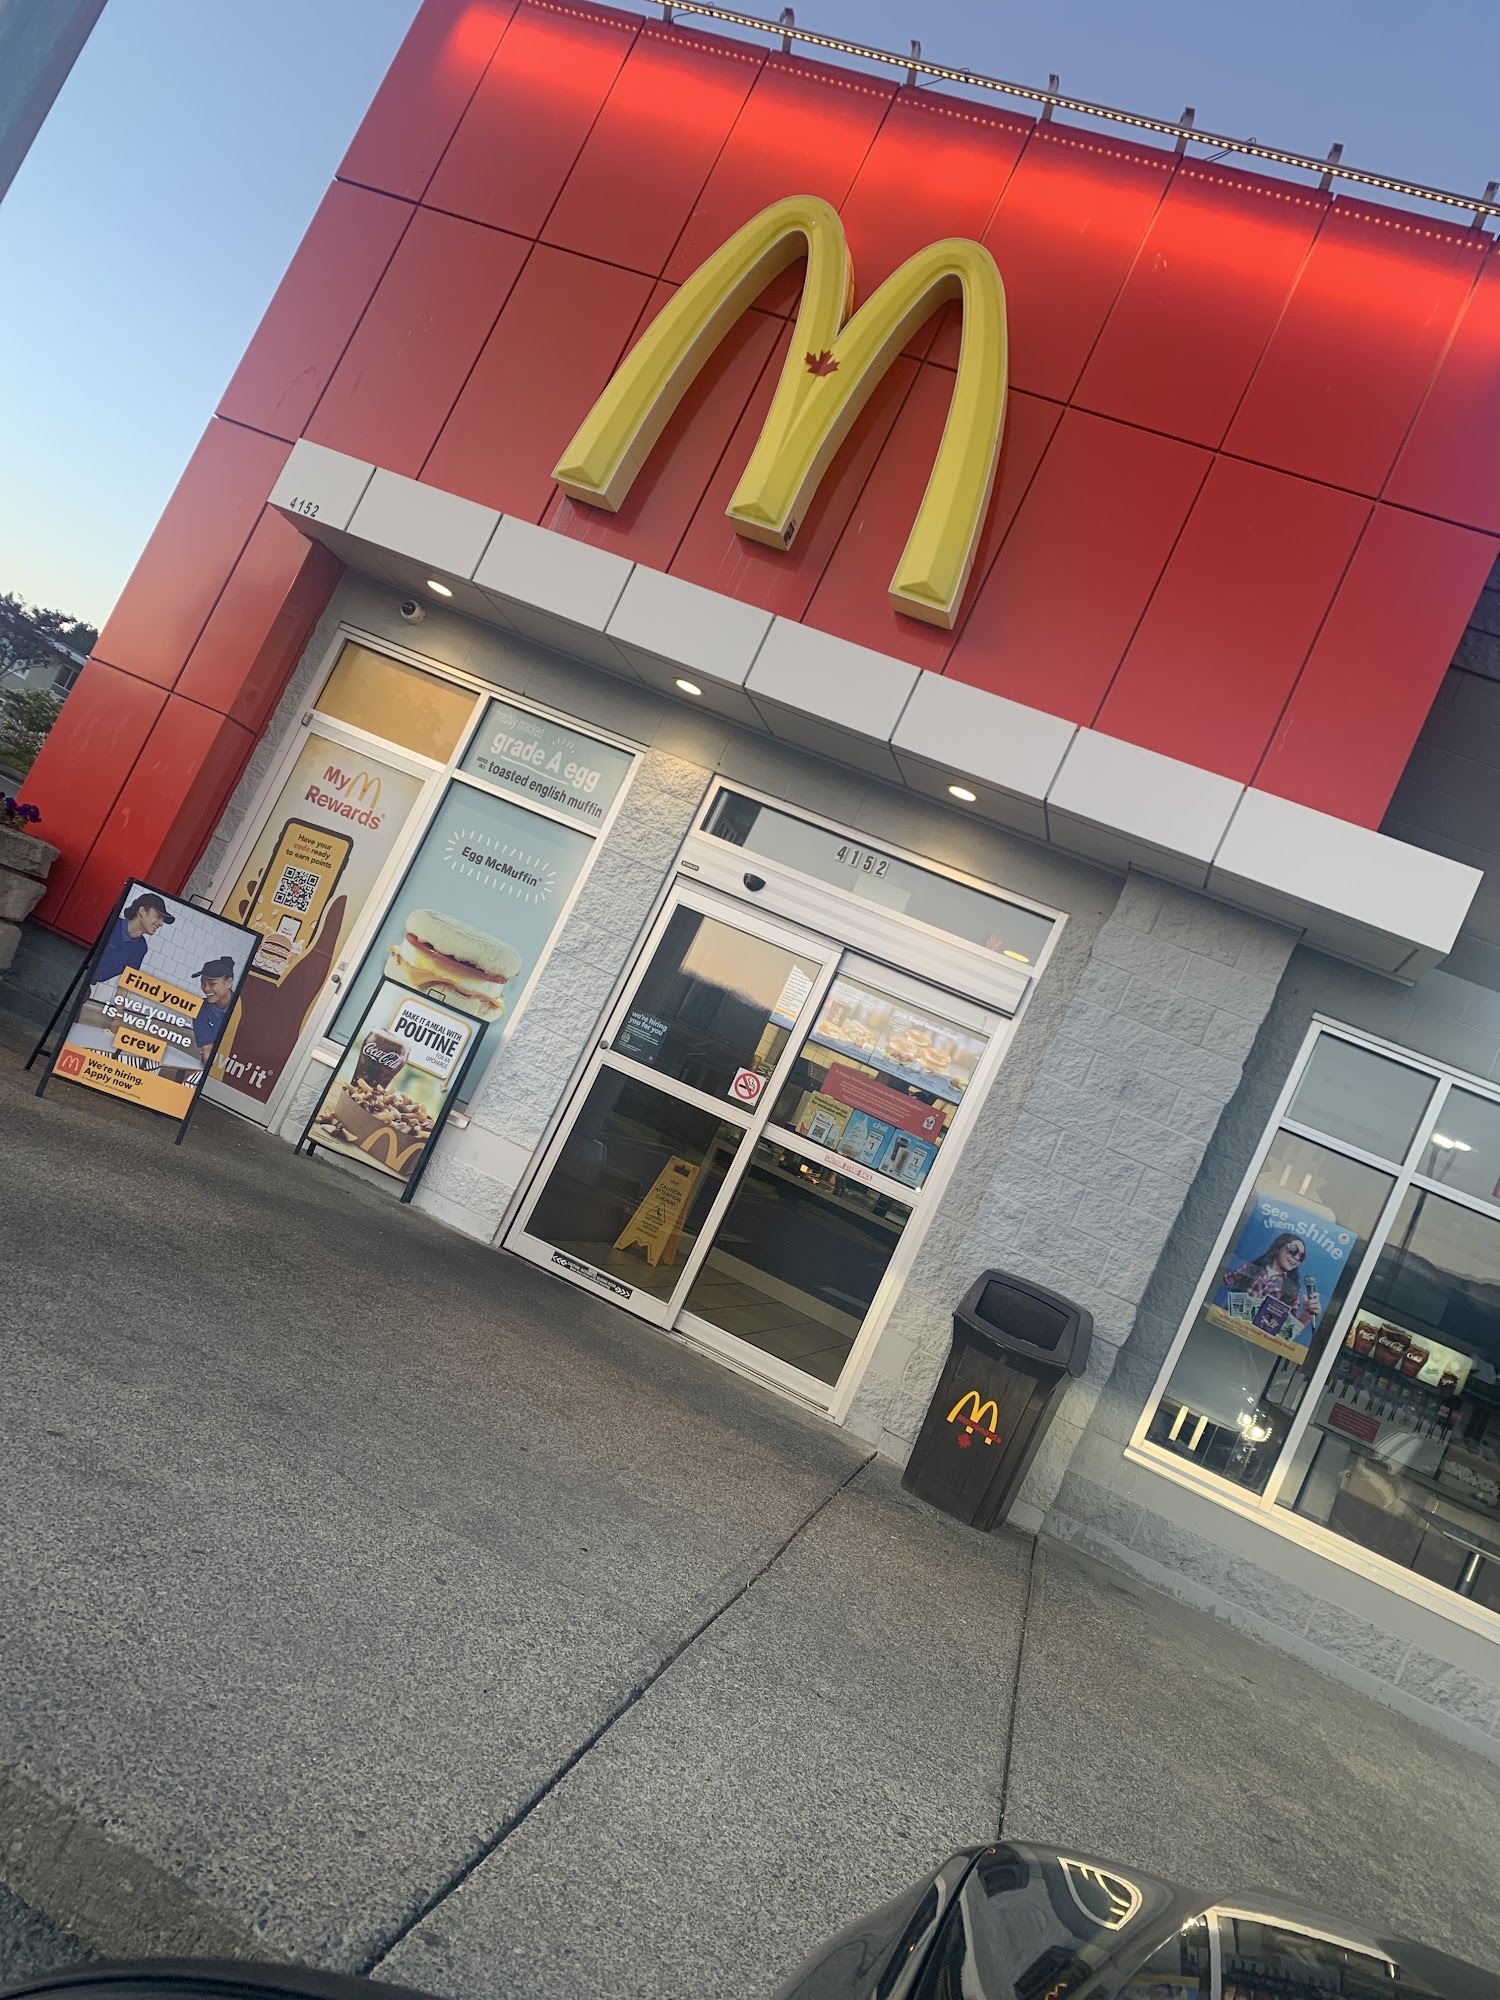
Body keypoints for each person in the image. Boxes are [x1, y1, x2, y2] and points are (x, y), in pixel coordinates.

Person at [1223, 1231, 1323, 1328]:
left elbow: (1290, 1329)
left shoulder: (1292, 1289)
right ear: (1278, 1248)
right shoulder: (1252, 1268)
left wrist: (1306, 1315)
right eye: (1293, 1250)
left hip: (1255, 1335)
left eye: (1302, 1256)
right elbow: (1221, 1280)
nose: (1296, 1257)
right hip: (1228, 1325)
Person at [91, 892, 174, 989]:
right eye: (158, 916)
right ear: (142, 911)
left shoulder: (141, 948)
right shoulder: (111, 924)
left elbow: (127, 982)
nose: (161, 923)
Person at [191, 957, 237, 1060]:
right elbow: (207, 1049)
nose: (206, 988)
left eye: (212, 984)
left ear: (228, 983)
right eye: (203, 983)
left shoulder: (241, 1007)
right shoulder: (199, 1009)